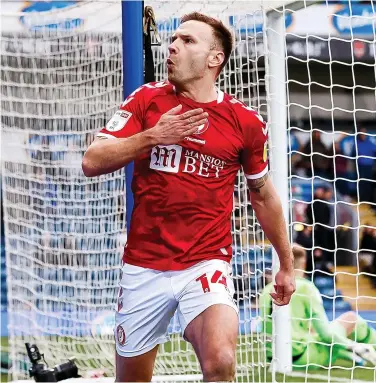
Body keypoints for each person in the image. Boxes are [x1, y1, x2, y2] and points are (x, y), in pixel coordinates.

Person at [82, 12, 295, 383]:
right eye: (173, 40)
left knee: (221, 361)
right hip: (143, 266)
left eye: (187, 40)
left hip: (205, 263)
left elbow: (262, 195)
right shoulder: (146, 100)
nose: (173, 46)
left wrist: (286, 264)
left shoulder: (244, 122)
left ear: (215, 58)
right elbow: (91, 161)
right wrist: (152, 136)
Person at [259, 245, 376, 369]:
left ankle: (354, 357)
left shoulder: (267, 289)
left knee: (311, 330)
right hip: (301, 358)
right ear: (305, 263)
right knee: (351, 319)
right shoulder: (305, 287)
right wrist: (355, 346)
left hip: (272, 358)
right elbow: (326, 335)